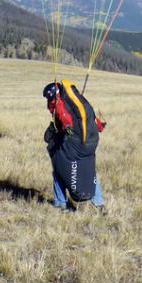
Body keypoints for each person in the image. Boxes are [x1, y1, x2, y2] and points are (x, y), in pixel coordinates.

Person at [43, 80, 106, 211]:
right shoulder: (78, 102)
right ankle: (99, 203)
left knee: (59, 170)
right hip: (90, 143)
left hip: (76, 145)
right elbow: (92, 121)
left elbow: (64, 117)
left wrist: (66, 127)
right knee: (88, 170)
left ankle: (60, 204)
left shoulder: (61, 103)